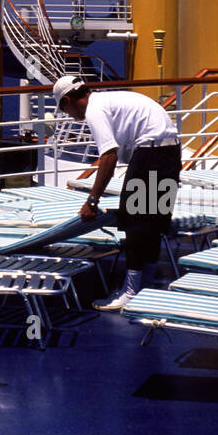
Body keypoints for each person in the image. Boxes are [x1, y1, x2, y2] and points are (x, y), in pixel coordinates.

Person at [53, 74, 181, 311]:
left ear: (69, 100)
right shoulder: (108, 100)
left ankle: (131, 292)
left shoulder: (94, 110)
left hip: (150, 154)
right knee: (153, 225)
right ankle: (147, 287)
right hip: (170, 151)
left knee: (135, 224)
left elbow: (109, 156)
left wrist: (92, 200)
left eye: (65, 109)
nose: (69, 115)